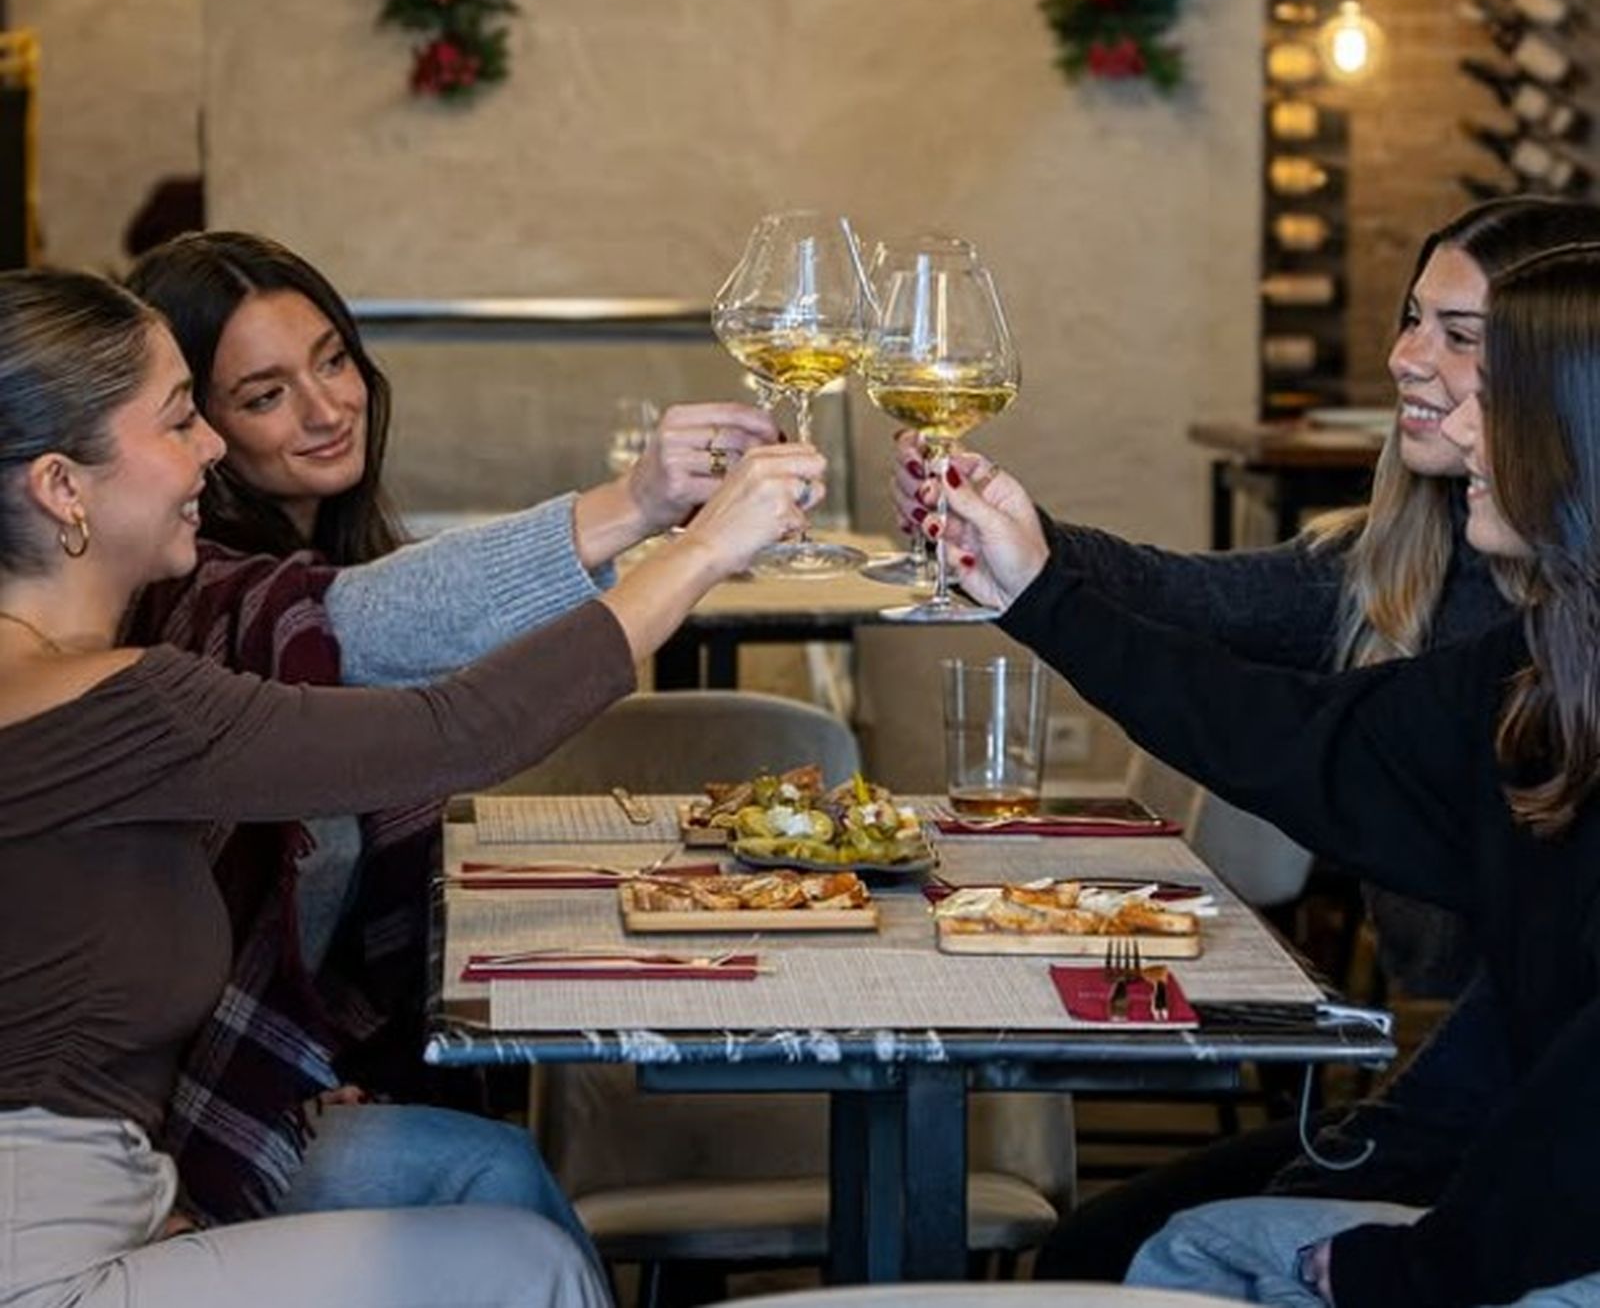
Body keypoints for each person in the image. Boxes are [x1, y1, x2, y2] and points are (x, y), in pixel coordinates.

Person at [0, 267, 825, 1308]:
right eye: (181, 420)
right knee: (535, 1267)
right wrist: (699, 547)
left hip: (101, 1184)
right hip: (45, 1251)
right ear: (61, 487)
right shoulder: (123, 704)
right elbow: (459, 730)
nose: (209, 444)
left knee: (489, 1176)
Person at [893, 195, 1600, 1277]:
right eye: (1414, 322)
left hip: (1524, 1171)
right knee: (1123, 1246)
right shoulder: (1523, 655)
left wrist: (1404, 1267)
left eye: (1472, 357)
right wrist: (1030, 580)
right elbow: (1281, 732)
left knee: (1169, 1256)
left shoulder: (1539, 651)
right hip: (1486, 1117)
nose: (1427, 388)